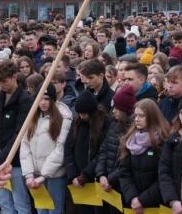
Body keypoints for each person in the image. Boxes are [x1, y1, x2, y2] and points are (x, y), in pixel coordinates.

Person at [0, 61, 32, 214]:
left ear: (14, 76)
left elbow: (19, 134)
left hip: (15, 162)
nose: (2, 85)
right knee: (4, 203)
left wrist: (1, 161)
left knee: (21, 204)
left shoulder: (25, 100)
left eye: (5, 81)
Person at [19, 83, 72, 214]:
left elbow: (60, 148)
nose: (43, 103)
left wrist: (43, 176)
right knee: (41, 210)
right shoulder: (32, 118)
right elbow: (25, 146)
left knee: (55, 210)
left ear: (53, 100)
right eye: (40, 98)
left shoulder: (63, 118)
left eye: (47, 99)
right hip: (35, 175)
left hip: (55, 175)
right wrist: (29, 174)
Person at [118, 99, 171, 211]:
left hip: (156, 205)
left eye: (141, 116)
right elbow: (124, 172)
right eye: (135, 115)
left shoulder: (163, 141)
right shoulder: (130, 139)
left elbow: (164, 177)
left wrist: (142, 200)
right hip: (132, 204)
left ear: (152, 117)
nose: (136, 119)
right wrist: (132, 198)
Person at [64, 90, 108, 214]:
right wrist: (72, 174)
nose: (82, 116)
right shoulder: (77, 123)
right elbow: (68, 149)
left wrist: (85, 174)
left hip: (92, 180)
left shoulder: (103, 123)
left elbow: (102, 153)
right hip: (75, 180)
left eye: (84, 114)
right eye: (80, 114)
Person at [95, 84, 135, 212]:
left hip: (121, 185)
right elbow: (104, 150)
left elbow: (127, 161)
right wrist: (101, 174)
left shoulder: (133, 130)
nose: (113, 111)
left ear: (124, 110)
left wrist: (110, 179)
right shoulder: (113, 125)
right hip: (106, 184)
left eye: (117, 108)